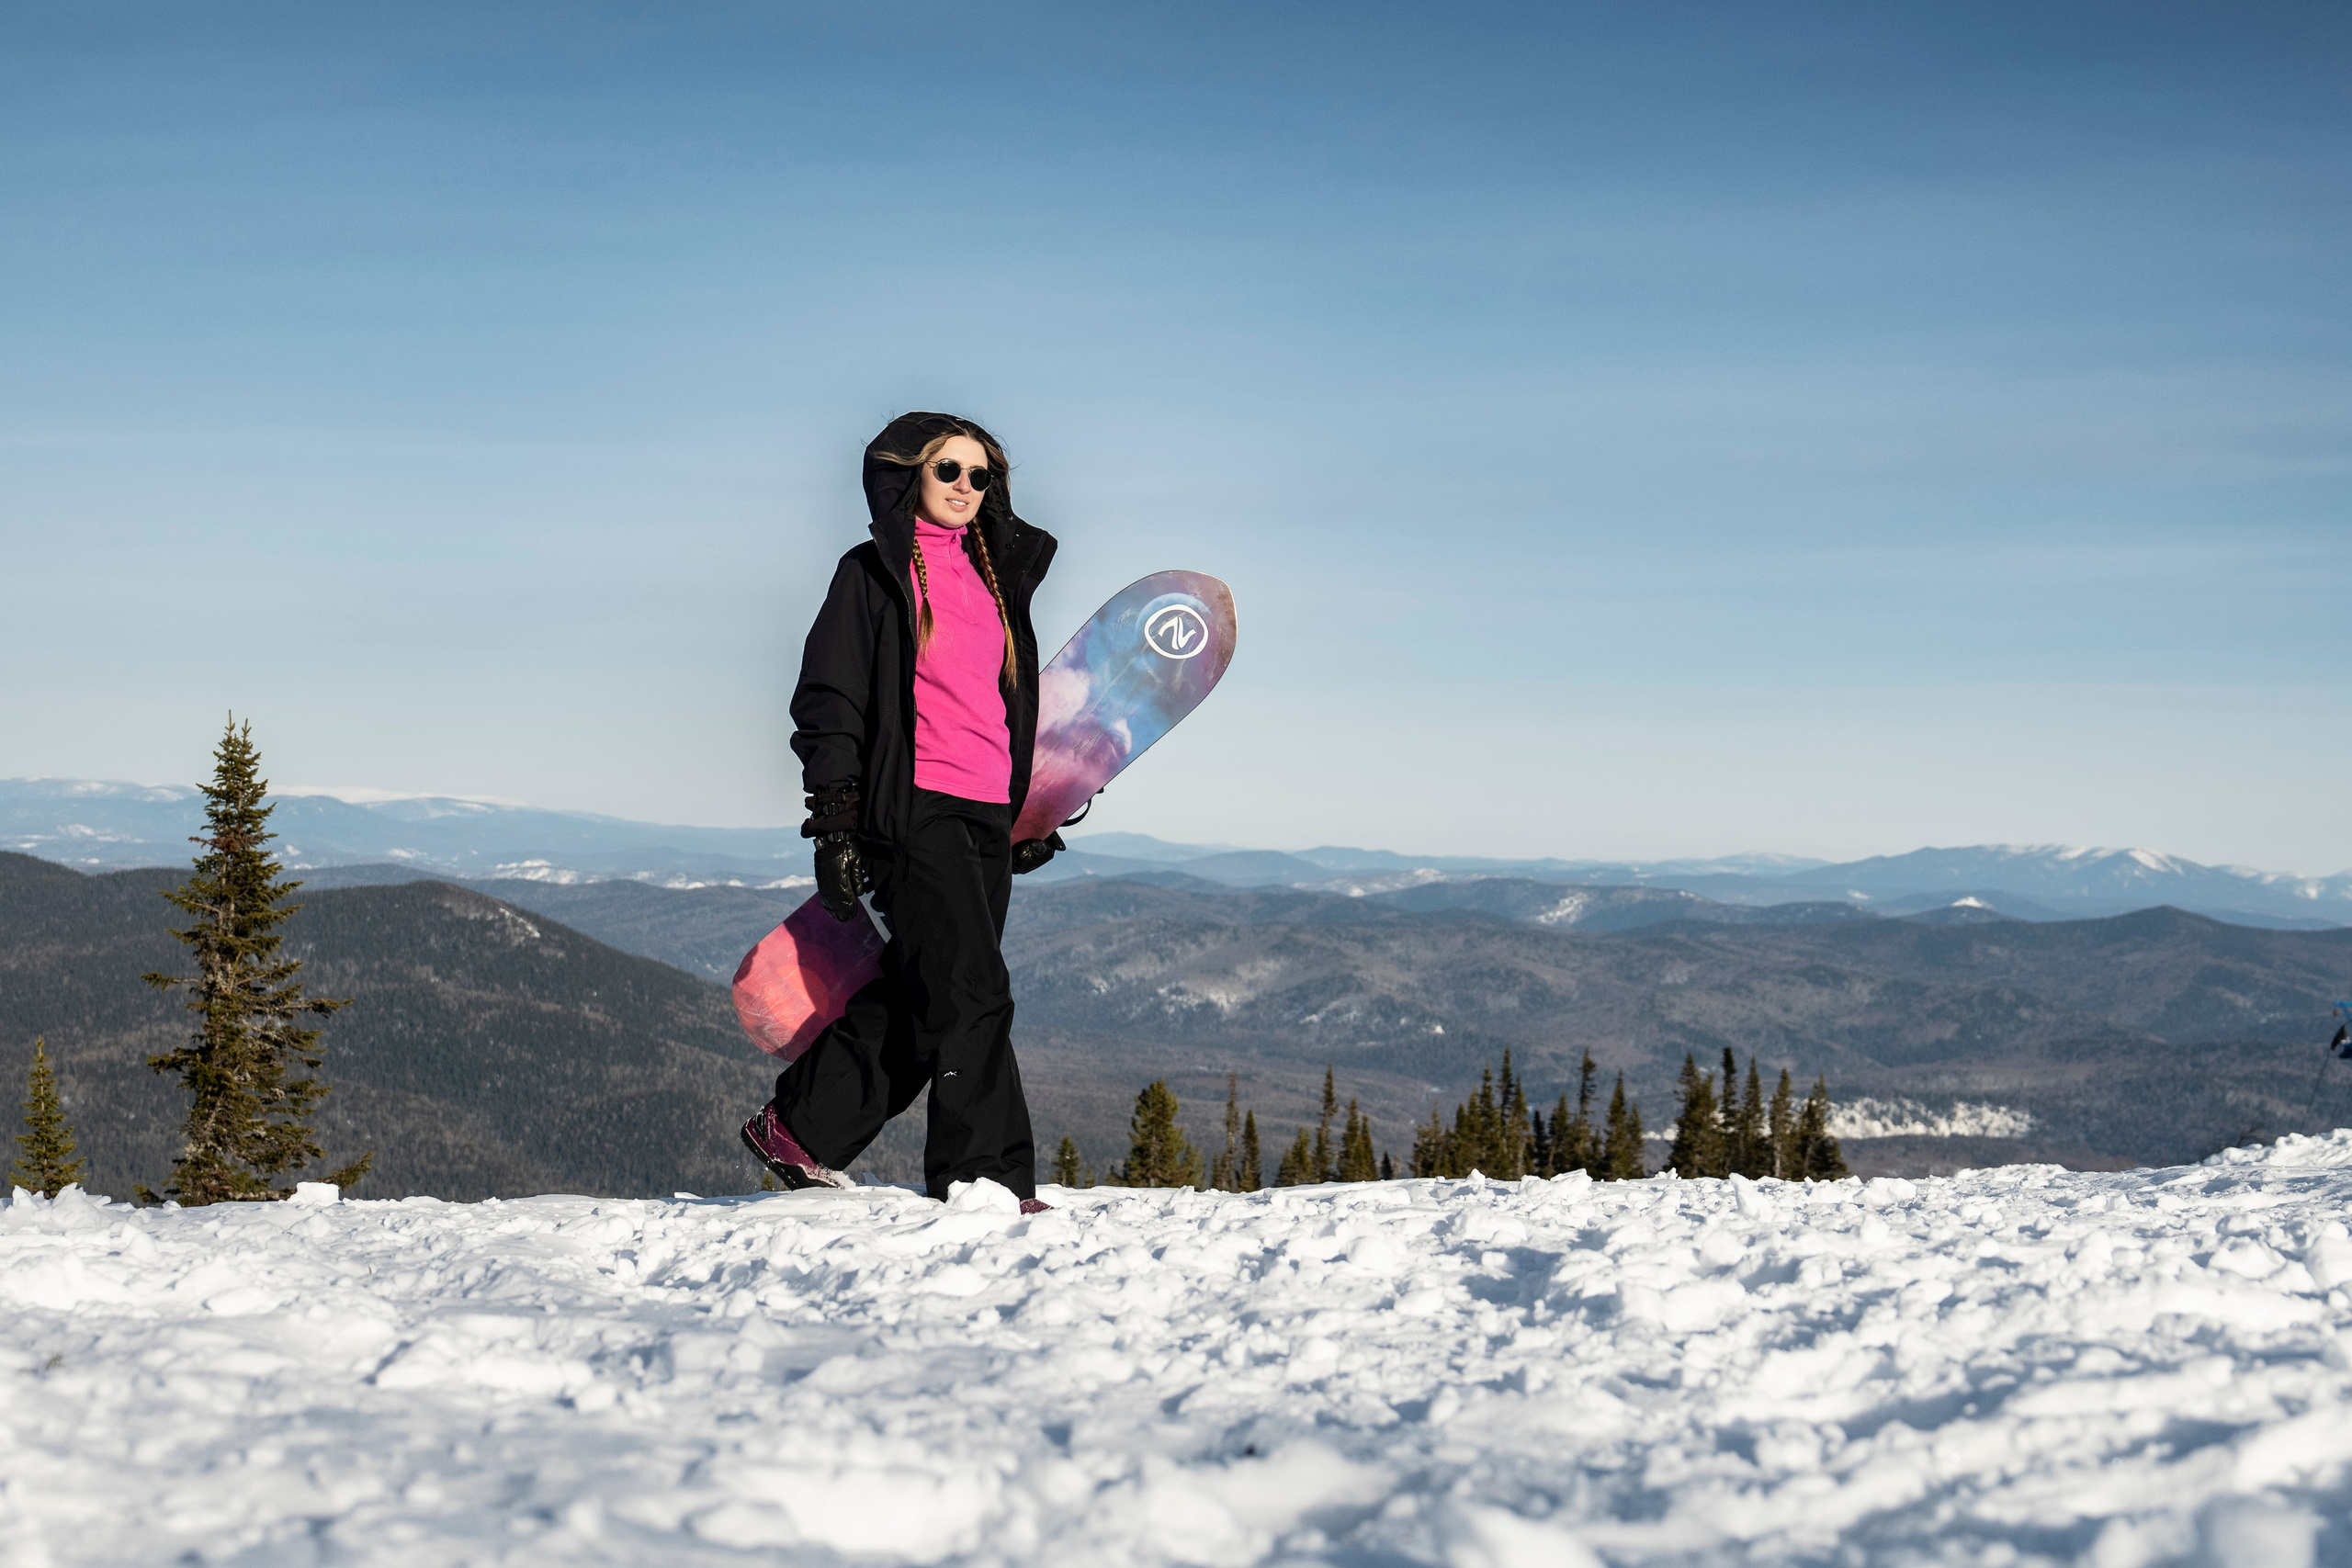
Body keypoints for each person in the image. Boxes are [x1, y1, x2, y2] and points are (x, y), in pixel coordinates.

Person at [741, 412, 1066, 1212]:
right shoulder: (875, 572)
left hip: (987, 813)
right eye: (947, 470)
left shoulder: (995, 580)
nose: (964, 487)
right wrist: (837, 819)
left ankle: (800, 1128)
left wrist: (1027, 813)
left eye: (979, 475)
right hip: (913, 812)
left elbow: (1003, 708)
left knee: (930, 994)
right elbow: (829, 698)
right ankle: (986, 1178)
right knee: (974, 990)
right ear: (910, 475)